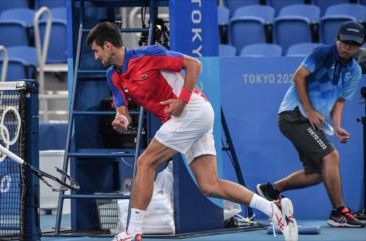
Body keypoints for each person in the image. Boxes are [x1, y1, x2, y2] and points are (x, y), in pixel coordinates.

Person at [86, 22, 298, 241]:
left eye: (96, 50)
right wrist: (121, 118)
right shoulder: (113, 76)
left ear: (108, 46)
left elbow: (194, 64)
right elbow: (123, 110)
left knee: (145, 163)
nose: (95, 57)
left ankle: (133, 231)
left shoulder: (149, 55)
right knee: (210, 185)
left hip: (192, 111)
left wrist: (182, 101)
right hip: (189, 118)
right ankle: (274, 209)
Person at [256, 21, 365, 228]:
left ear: (359, 46)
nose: (347, 47)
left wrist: (337, 125)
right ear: (337, 39)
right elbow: (298, 77)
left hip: (312, 123)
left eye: (353, 44)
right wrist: (310, 110)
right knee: (331, 156)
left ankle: (272, 190)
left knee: (318, 173)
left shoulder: (354, 71)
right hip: (294, 115)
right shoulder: (322, 53)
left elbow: (340, 100)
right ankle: (339, 212)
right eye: (344, 42)